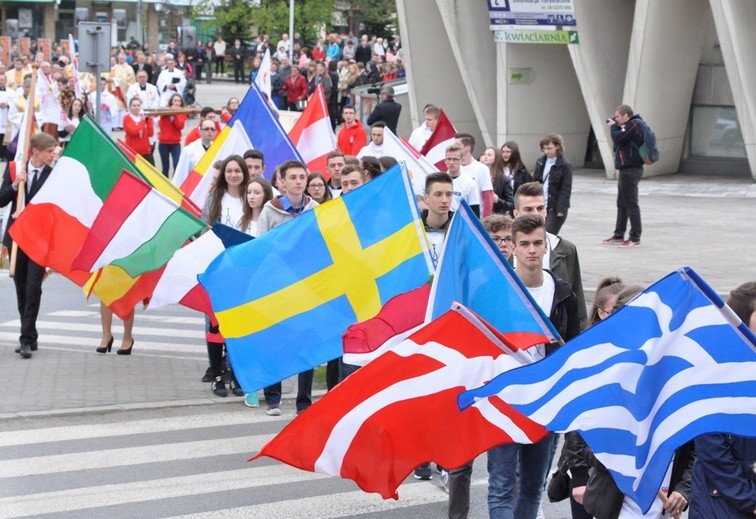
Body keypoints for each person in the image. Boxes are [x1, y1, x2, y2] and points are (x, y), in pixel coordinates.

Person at [487, 213, 580, 519]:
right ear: (512, 247)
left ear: (545, 247)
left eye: (537, 243)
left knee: (532, 487)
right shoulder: (497, 291)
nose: (531, 250)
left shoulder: (562, 292)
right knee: (501, 486)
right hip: (505, 401)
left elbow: (574, 347)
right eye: (524, 243)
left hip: (546, 402)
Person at [445, 212, 515, 517]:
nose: (502, 245)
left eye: (506, 240)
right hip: (471, 380)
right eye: (494, 239)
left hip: (505, 384)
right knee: (460, 463)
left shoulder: (520, 281)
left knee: (505, 472)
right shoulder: (466, 280)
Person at [257, 160, 320, 416]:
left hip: (306, 285)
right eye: (292, 177)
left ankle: (303, 401)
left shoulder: (314, 209)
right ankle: (273, 398)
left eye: (301, 177)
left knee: (306, 342)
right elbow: (260, 248)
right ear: (281, 182)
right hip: (277, 285)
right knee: (277, 340)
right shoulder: (270, 211)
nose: (297, 181)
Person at [689, 281, 756, 519]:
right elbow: (713, 451)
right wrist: (750, 499)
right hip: (721, 503)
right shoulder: (715, 373)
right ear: (741, 320)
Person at [0, 133, 58, 359]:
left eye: (54, 151)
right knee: (21, 288)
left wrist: (30, 214)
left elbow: (53, 210)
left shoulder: (54, 175)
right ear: (35, 151)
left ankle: (24, 340)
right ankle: (31, 335)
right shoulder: (15, 170)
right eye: (48, 152)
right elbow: (1, 199)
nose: (52, 155)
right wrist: (15, 186)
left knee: (33, 288)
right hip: (17, 239)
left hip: (39, 240)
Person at [201, 155, 250, 397]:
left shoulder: (250, 196)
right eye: (229, 171)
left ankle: (237, 374)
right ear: (224, 175)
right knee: (216, 322)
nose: (233, 175)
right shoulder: (214, 199)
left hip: (245, 267)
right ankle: (217, 374)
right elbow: (203, 229)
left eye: (237, 171)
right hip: (220, 265)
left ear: (244, 173)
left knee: (240, 323)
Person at [514, 182, 587, 328]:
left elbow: (576, 299)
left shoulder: (566, 249)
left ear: (546, 211)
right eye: (528, 209)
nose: (536, 213)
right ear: (516, 214)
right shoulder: (504, 251)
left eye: (540, 208)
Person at [604, 104, 647, 247]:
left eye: (617, 116)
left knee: (631, 204)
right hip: (625, 170)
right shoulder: (628, 126)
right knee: (622, 203)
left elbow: (618, 138)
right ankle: (618, 234)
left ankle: (635, 237)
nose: (615, 119)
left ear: (625, 116)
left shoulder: (634, 124)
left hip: (631, 170)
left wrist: (612, 127)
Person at [534, 133, 572, 235]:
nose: (546, 151)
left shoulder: (564, 165)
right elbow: (536, 181)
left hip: (554, 206)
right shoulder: (541, 161)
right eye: (544, 148)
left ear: (557, 146)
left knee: (548, 235)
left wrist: (561, 209)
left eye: (549, 148)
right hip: (540, 204)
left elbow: (566, 188)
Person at [455, 132, 494, 218]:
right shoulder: (453, 167)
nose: (454, 148)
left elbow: (488, 196)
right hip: (457, 217)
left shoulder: (481, 169)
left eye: (457, 146)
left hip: (475, 217)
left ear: (467, 148)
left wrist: (486, 219)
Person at [174, 117, 216, 182]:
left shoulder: (218, 150)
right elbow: (181, 175)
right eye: (206, 129)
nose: (210, 131)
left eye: (212, 129)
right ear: (200, 131)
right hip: (194, 187)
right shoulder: (188, 151)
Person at [445, 143, 480, 216]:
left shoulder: (469, 183)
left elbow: (474, 210)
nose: (451, 162)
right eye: (449, 159)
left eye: (455, 159)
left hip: (460, 222)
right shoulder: (439, 180)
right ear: (445, 161)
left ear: (461, 161)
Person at [157, 93, 187, 178]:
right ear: (171, 102)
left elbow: (180, 126)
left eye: (179, 101)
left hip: (175, 143)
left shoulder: (183, 113)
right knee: (165, 167)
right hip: (163, 143)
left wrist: (175, 115)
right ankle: (164, 186)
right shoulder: (164, 112)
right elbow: (161, 124)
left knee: (177, 165)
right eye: (175, 101)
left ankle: (175, 184)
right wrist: (169, 112)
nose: (177, 103)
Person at [482, 146, 514, 215]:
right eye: (485, 154)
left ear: (496, 158)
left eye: (489, 155)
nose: (485, 157)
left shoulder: (504, 180)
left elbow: (511, 204)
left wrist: (498, 200)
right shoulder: (479, 175)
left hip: (496, 217)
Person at [122, 97, 154, 165]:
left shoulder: (143, 117)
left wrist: (149, 120)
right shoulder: (127, 118)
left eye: (138, 105)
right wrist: (142, 121)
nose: (136, 107)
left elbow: (150, 133)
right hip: (133, 152)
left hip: (145, 151)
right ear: (130, 107)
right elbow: (134, 131)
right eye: (134, 105)